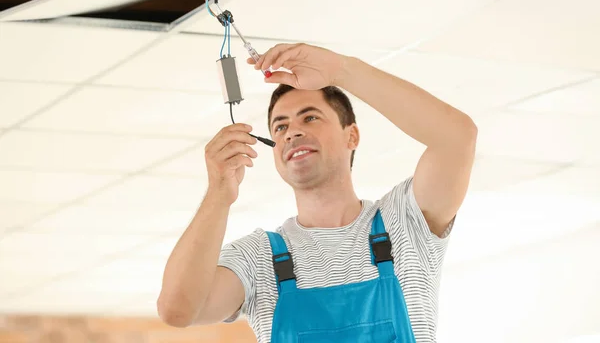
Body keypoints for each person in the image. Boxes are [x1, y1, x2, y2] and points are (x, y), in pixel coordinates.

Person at [157, 43, 478, 343]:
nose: (292, 131)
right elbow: (178, 310)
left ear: (351, 135)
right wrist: (218, 194)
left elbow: (457, 137)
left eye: (310, 117)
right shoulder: (258, 258)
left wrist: (342, 70)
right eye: (280, 127)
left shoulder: (405, 223)